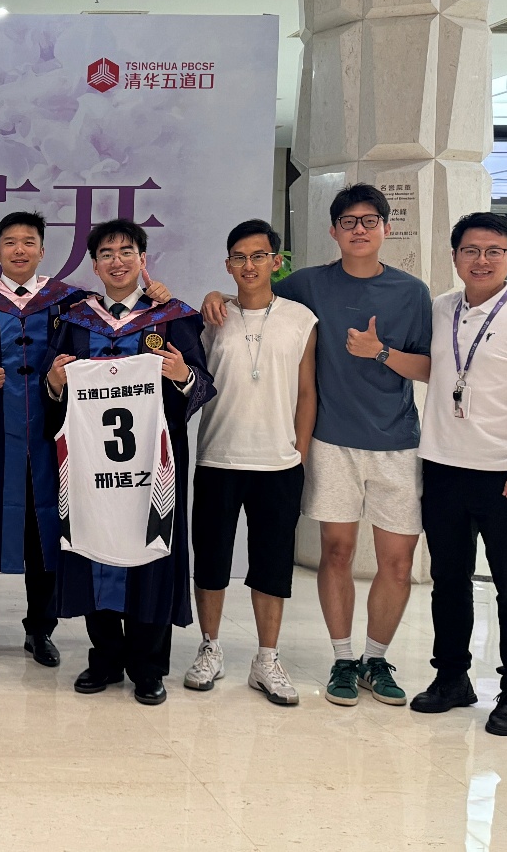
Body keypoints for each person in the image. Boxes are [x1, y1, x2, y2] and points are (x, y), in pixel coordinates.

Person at [202, 184, 432, 708]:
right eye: (348, 221)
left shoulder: (412, 292)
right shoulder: (308, 284)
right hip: (331, 440)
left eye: (369, 221)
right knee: (337, 552)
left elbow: (429, 368)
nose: (358, 230)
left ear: (386, 228)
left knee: (398, 562)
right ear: (333, 231)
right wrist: (214, 296)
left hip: (397, 441)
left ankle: (377, 658)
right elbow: (254, 294)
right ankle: (344, 660)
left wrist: (381, 353)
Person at [407, 212, 507, 736]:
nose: (481, 260)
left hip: (506, 472)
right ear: (455, 256)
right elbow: (438, 369)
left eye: (493, 251)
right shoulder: (440, 308)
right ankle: (452, 677)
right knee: (448, 582)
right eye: (471, 250)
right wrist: (382, 354)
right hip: (444, 467)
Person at [44, 218, 213, 704]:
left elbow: (202, 386)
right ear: (94, 265)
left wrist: (183, 375)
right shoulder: (76, 321)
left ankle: (147, 665)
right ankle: (104, 657)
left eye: (126, 252)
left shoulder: (172, 318)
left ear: (143, 259)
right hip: (92, 465)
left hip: (153, 465)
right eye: (106, 254)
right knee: (92, 545)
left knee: (152, 549)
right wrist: (55, 382)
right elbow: (53, 392)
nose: (116, 261)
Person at [184, 219, 316, 706]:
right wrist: (210, 299)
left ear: (275, 262)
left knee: (272, 565)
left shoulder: (301, 319)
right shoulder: (212, 317)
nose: (249, 265)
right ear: (227, 265)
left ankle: (267, 658)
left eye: (259, 256)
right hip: (218, 455)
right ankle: (210, 648)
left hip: (278, 463)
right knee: (211, 559)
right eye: (239, 257)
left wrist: (299, 453)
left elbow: (308, 391)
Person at [0, 212, 89, 667]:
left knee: (44, 530)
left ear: (43, 250)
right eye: (10, 242)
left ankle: (40, 629)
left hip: (50, 435)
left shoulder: (71, 303)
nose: (19, 250)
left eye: (29, 241)